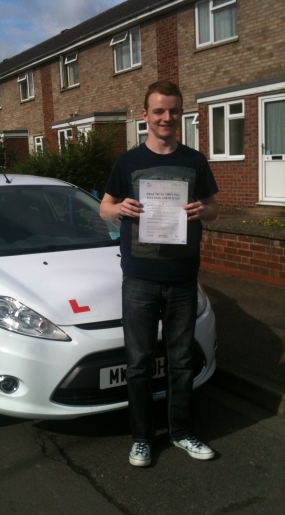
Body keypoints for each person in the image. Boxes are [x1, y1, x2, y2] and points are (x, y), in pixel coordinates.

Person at [100, 80, 218, 467]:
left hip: (183, 276)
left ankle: (182, 432)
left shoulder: (195, 161)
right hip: (140, 277)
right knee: (138, 362)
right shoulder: (128, 162)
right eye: (159, 111)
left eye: (173, 111)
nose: (167, 118)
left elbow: (215, 208)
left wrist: (204, 210)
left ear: (180, 114)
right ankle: (141, 439)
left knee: (181, 361)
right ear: (145, 115)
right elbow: (104, 208)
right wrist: (121, 211)